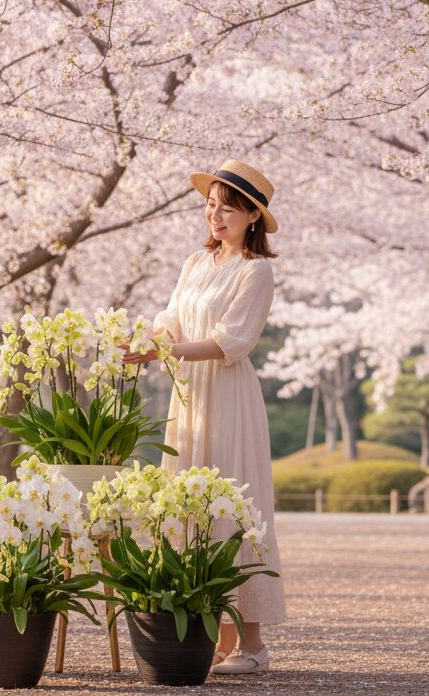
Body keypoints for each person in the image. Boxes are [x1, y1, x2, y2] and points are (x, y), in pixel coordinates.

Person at [123, 159, 286, 675]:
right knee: (191, 507)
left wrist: (162, 356)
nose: (215, 216)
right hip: (189, 394)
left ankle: (253, 645)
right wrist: (145, 342)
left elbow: (231, 341)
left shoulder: (256, 271)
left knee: (234, 506)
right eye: (211, 206)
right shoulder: (197, 263)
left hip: (229, 395)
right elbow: (170, 319)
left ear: (251, 217)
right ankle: (217, 637)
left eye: (228, 209)